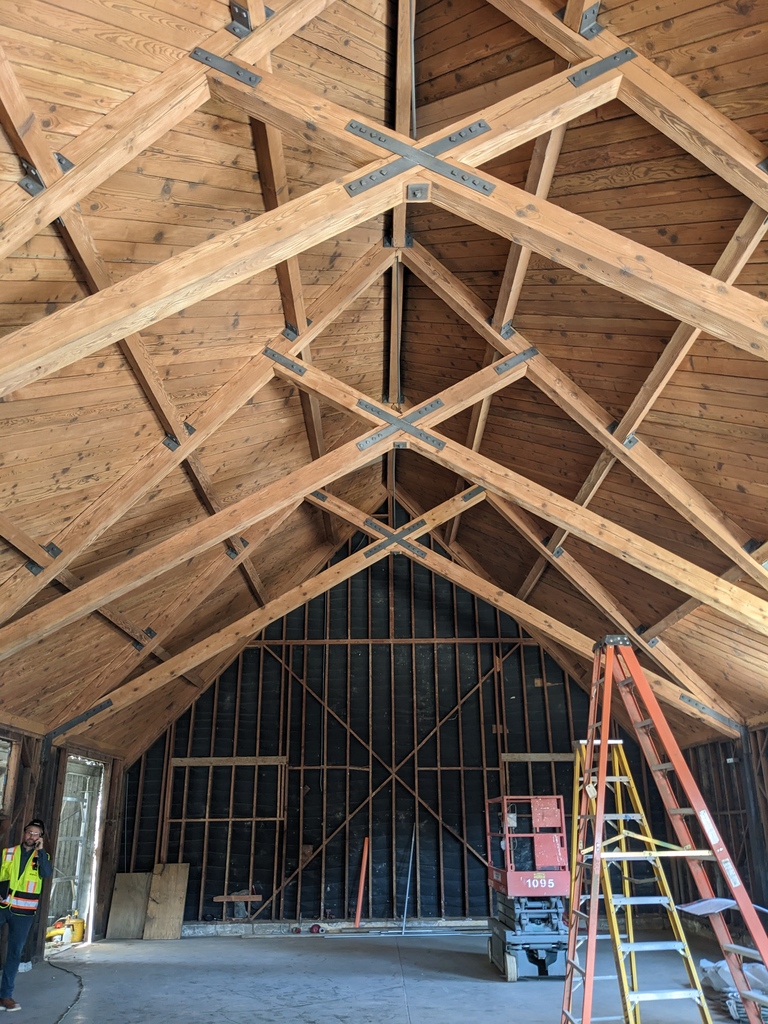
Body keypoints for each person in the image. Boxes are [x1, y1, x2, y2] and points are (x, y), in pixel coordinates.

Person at [0, 819, 53, 1012]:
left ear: (40, 838)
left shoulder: (42, 857)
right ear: (24, 833)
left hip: (24, 913)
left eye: (36, 834)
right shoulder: (8, 853)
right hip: (2, 906)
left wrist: (41, 852)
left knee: (14, 954)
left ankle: (5, 996)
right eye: (29, 832)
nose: (31, 836)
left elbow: (46, 874)